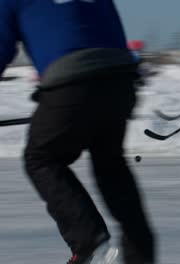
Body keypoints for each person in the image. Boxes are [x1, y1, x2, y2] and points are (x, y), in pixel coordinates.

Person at [0, 1, 156, 264]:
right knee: (110, 163)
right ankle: (141, 252)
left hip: (71, 82)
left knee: (41, 158)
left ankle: (87, 239)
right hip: (120, 79)